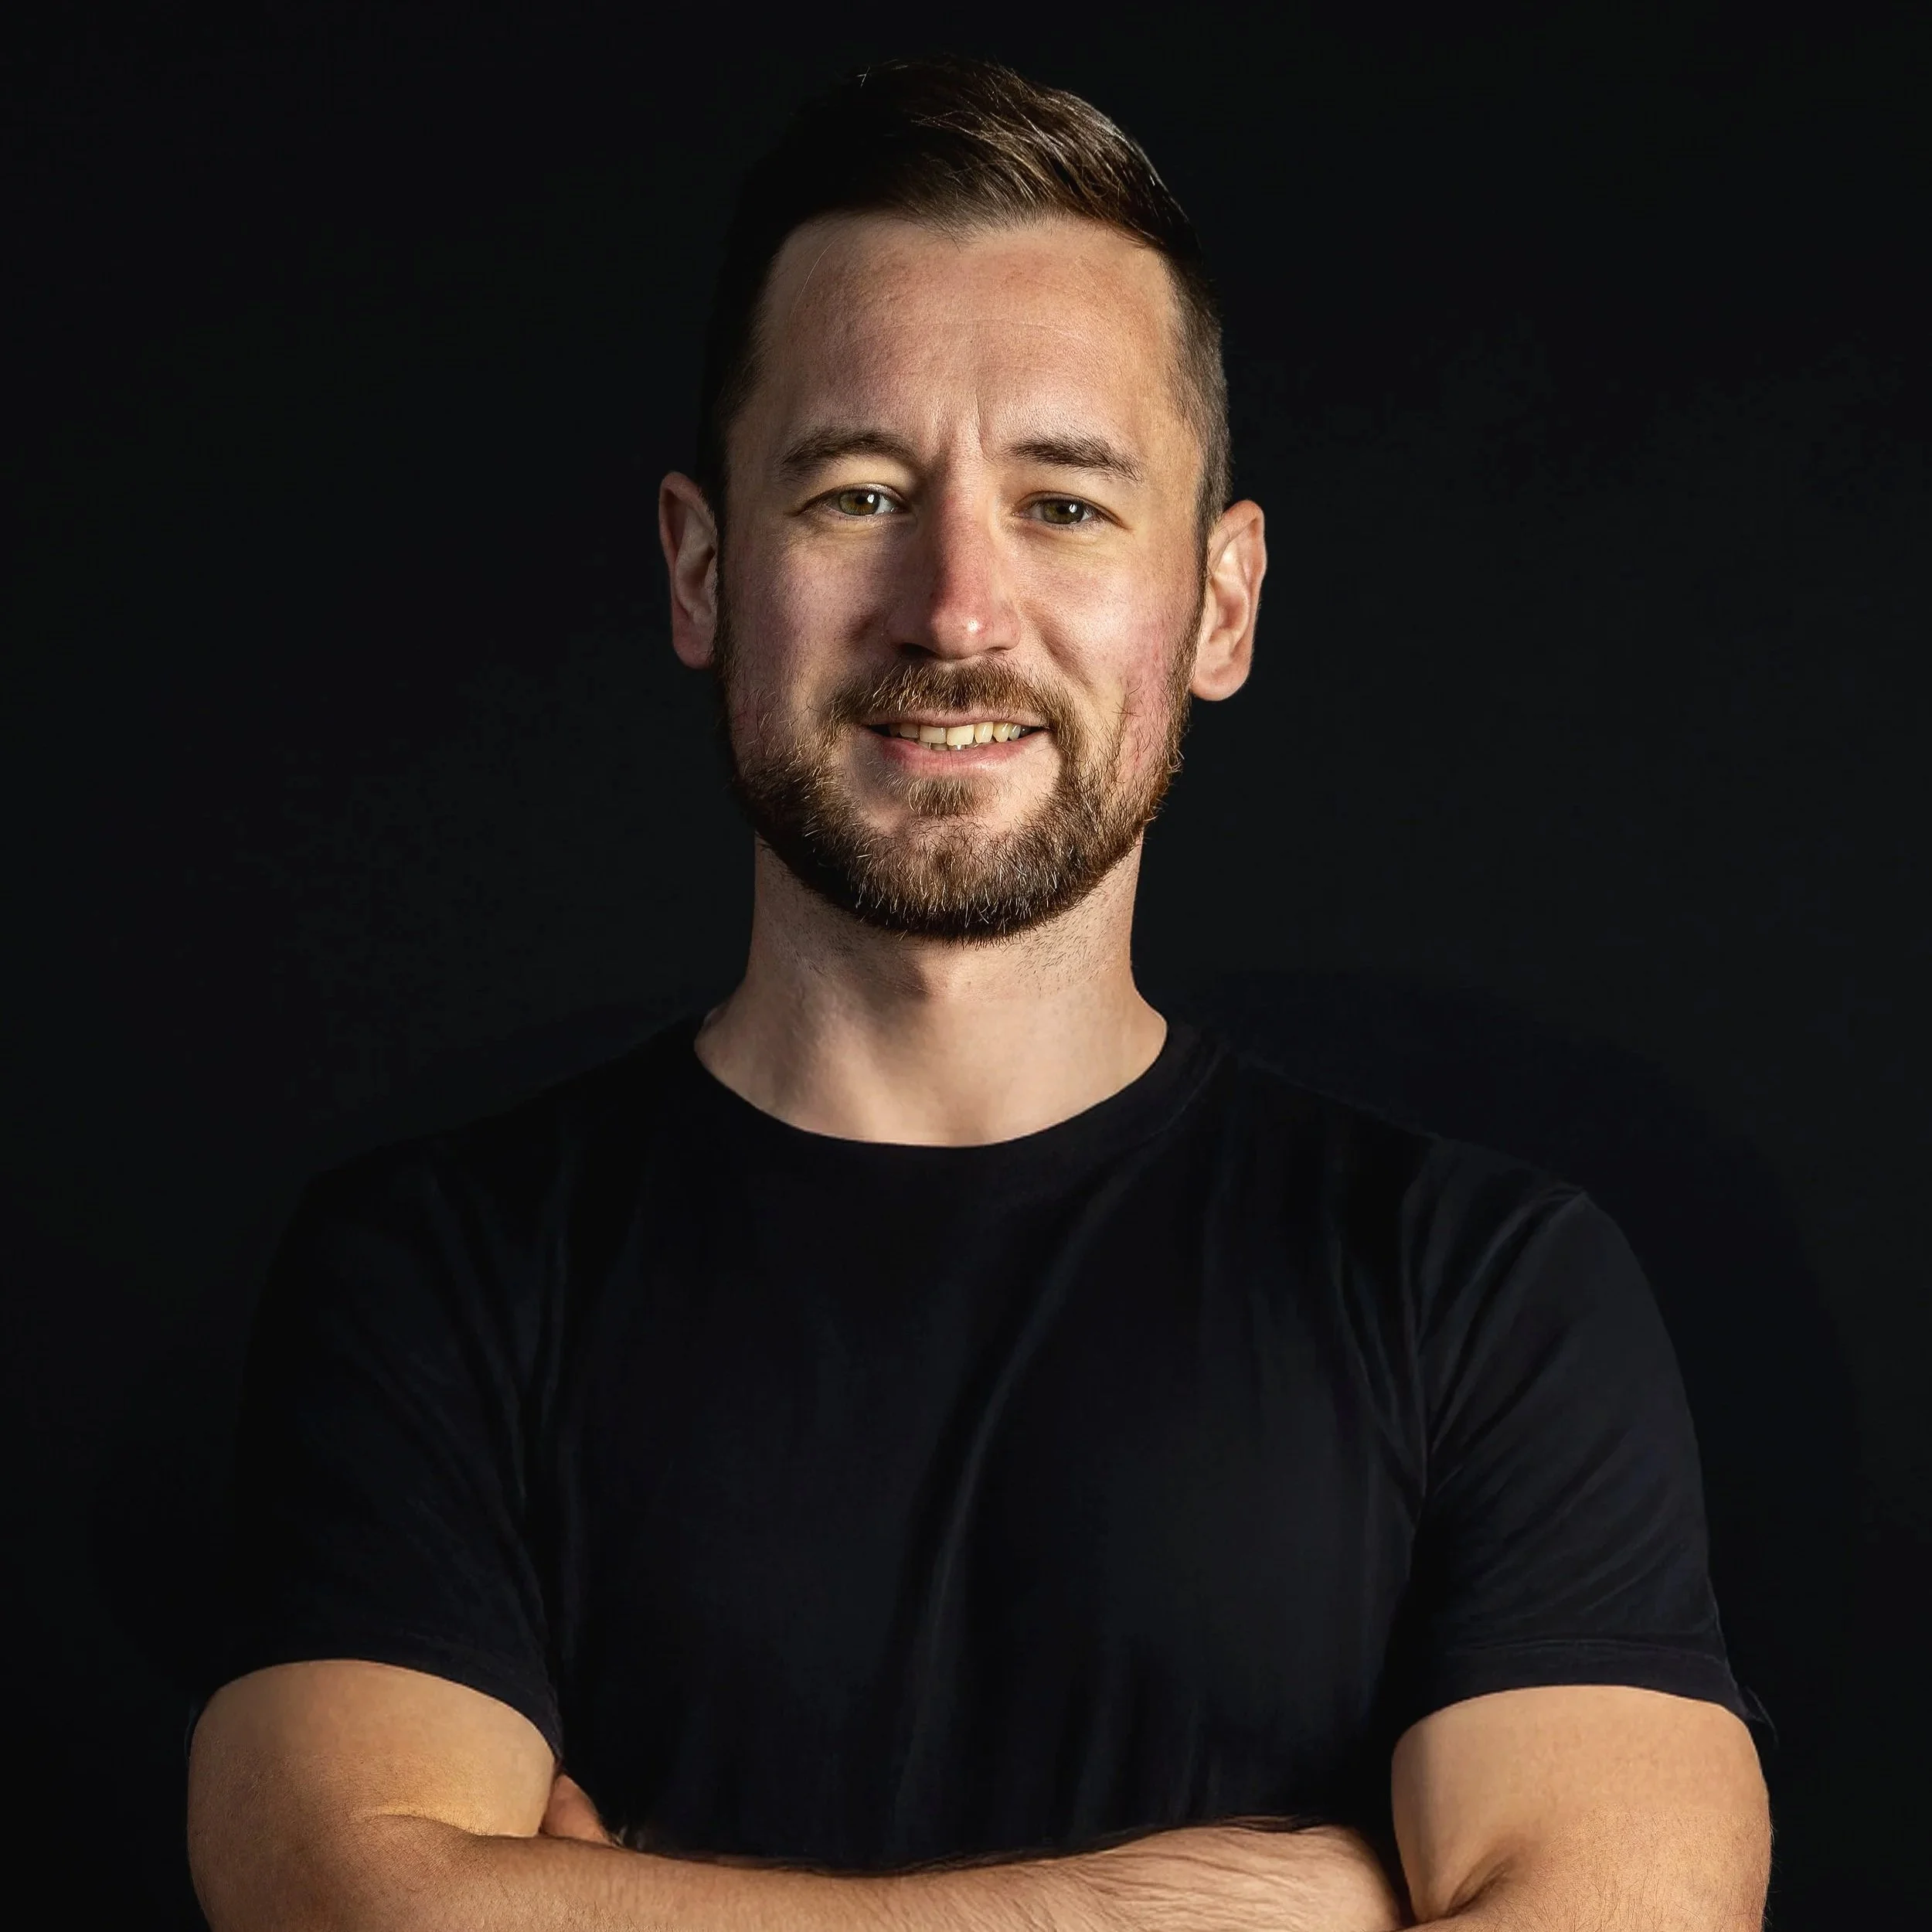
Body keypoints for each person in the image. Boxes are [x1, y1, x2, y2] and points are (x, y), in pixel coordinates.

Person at [186, 54, 1770, 1932]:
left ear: (1219, 600)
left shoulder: (1482, 1290)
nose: (953, 609)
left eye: (1065, 504)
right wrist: (1211, 1905)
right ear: (701, 569)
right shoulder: (433, 1275)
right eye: (857, 492)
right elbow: (350, 1903)